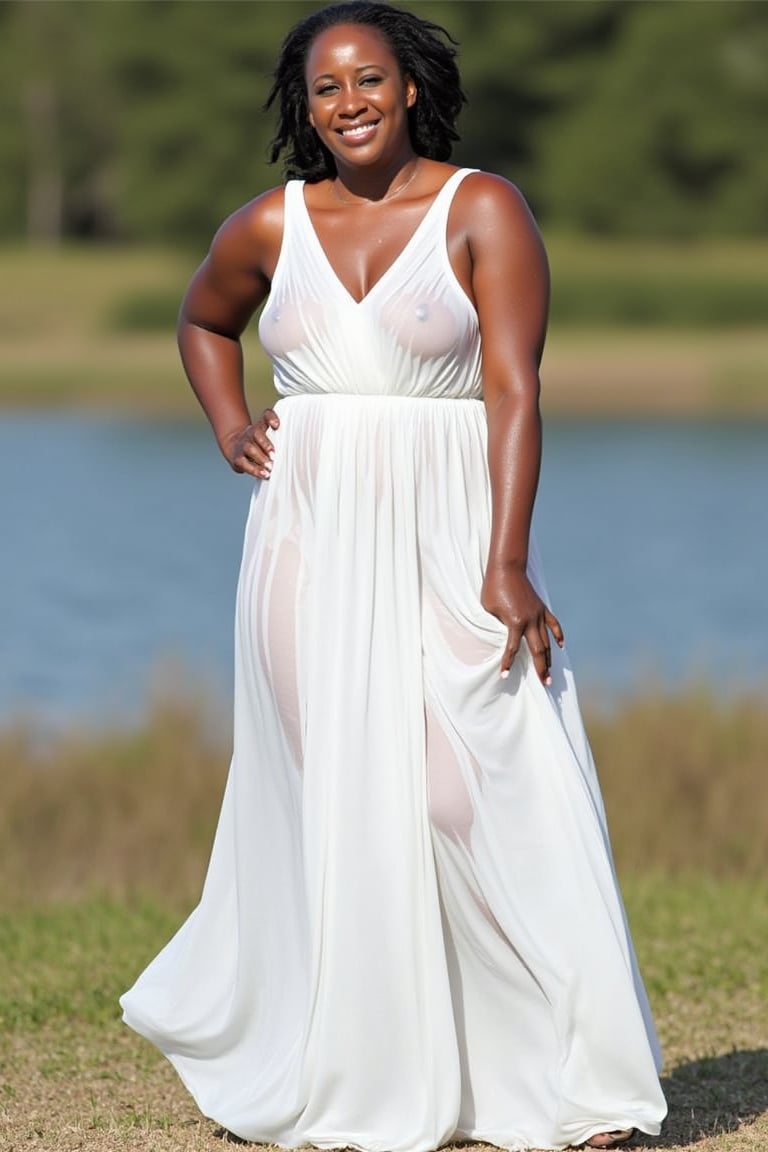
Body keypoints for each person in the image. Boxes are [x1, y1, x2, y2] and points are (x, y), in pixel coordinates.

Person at [120, 3, 667, 1149]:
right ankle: (369, 1072)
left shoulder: (484, 209)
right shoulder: (275, 223)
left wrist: (507, 563)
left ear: (412, 86)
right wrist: (230, 425)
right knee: (349, 803)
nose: (350, 102)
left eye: (370, 79)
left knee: (478, 792)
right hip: (304, 538)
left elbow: (514, 391)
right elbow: (202, 318)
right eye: (326, 88)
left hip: (450, 530)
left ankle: (570, 1080)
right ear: (304, 108)